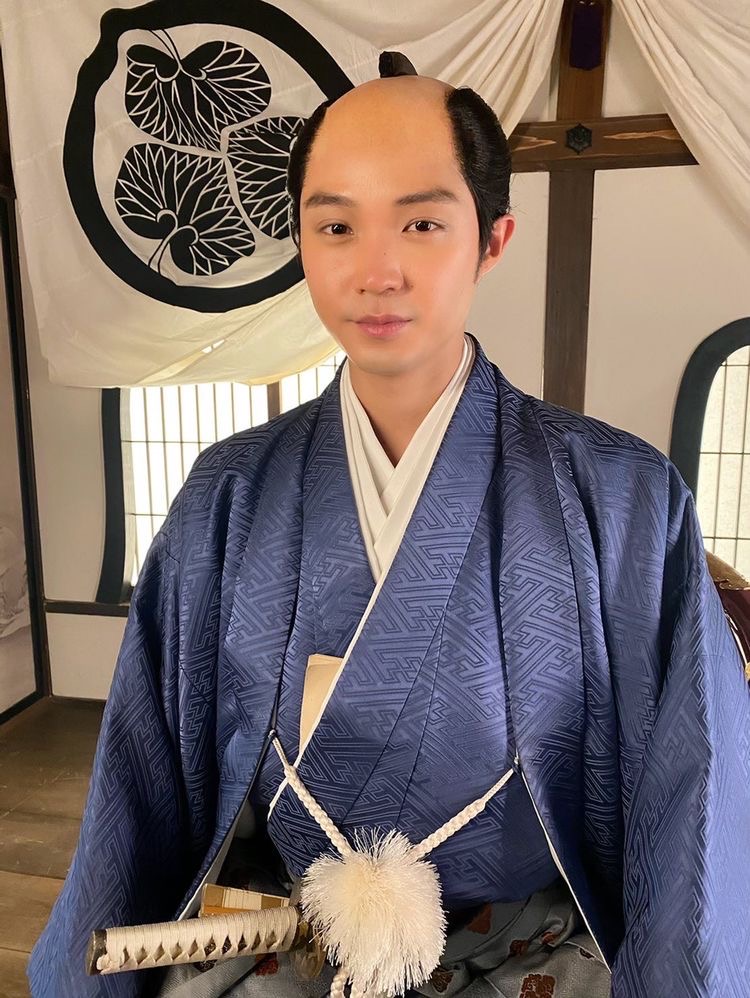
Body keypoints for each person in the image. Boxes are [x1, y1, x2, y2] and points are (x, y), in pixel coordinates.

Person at [29, 72, 750, 998]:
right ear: (301, 240)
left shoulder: (621, 495)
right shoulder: (228, 493)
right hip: (290, 936)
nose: (376, 270)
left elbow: (692, 794)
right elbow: (145, 773)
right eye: (336, 226)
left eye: (421, 224)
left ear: (492, 239)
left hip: (531, 947)